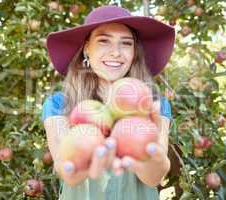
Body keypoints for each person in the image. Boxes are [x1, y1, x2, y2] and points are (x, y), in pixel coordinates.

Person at [42, 5, 175, 200]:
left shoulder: (154, 104)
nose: (116, 52)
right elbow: (67, 172)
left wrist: (148, 151)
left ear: (134, 52)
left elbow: (153, 178)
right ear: (87, 48)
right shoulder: (59, 104)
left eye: (126, 43)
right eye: (104, 41)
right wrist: (80, 161)